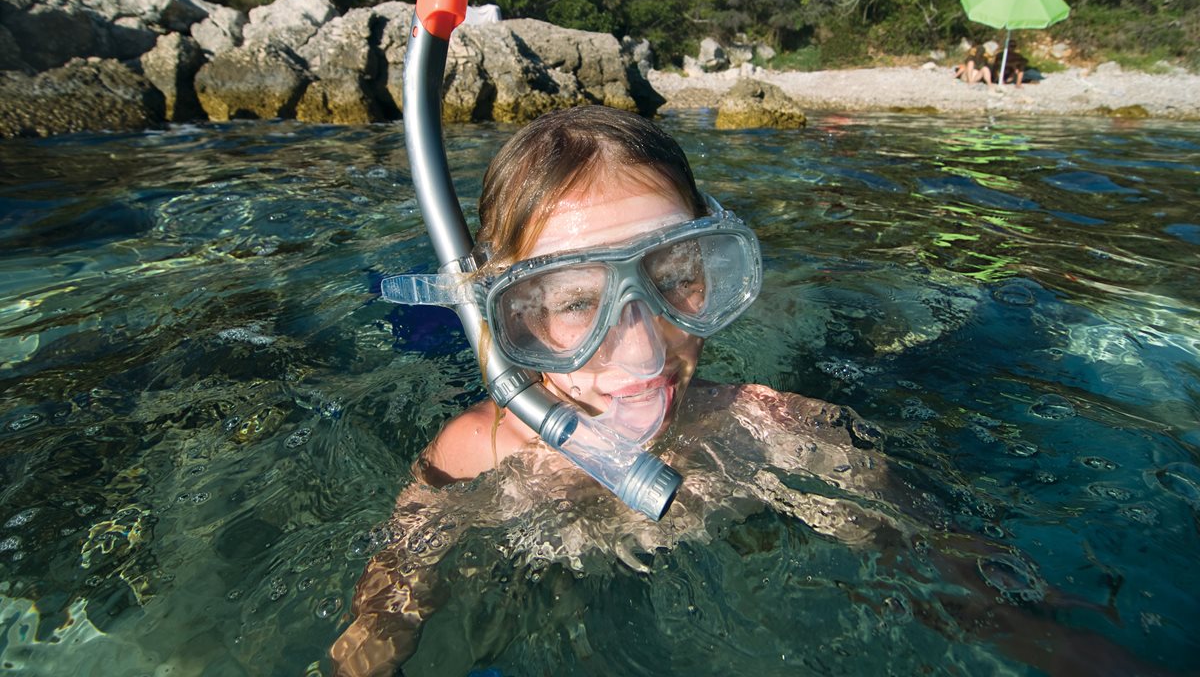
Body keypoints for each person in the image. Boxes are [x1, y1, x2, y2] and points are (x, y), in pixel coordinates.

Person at [330, 106, 1151, 677]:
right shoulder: (477, 451)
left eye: (676, 279)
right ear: (511, 316)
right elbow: (390, 604)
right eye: (578, 301)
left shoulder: (767, 430)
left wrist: (1028, 626)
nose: (641, 343)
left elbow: (933, 567)